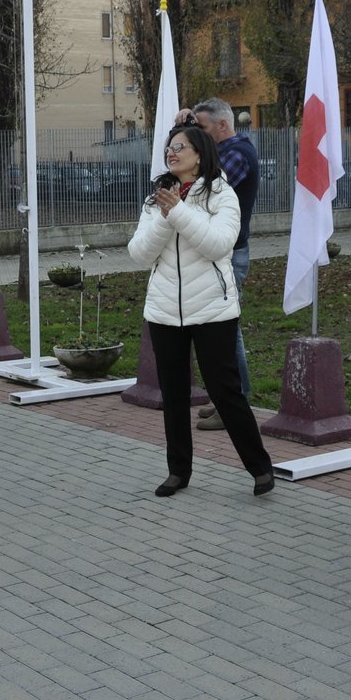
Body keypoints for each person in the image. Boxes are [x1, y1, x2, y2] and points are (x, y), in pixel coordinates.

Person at [127, 124, 273, 498]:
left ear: (200, 153)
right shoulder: (156, 198)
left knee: (226, 392)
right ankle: (178, 472)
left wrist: (178, 213)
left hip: (212, 310)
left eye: (180, 147)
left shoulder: (222, 194)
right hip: (164, 311)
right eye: (169, 147)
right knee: (173, 395)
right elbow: (139, 253)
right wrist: (166, 213)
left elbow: (218, 245)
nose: (172, 152)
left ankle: (259, 468)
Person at [176, 98, 261, 434]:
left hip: (229, 254)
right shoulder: (225, 150)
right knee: (218, 330)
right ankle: (225, 396)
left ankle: (236, 400)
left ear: (223, 126)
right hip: (217, 252)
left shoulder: (237, 154)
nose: (198, 136)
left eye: (203, 129)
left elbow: (202, 188)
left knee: (226, 332)